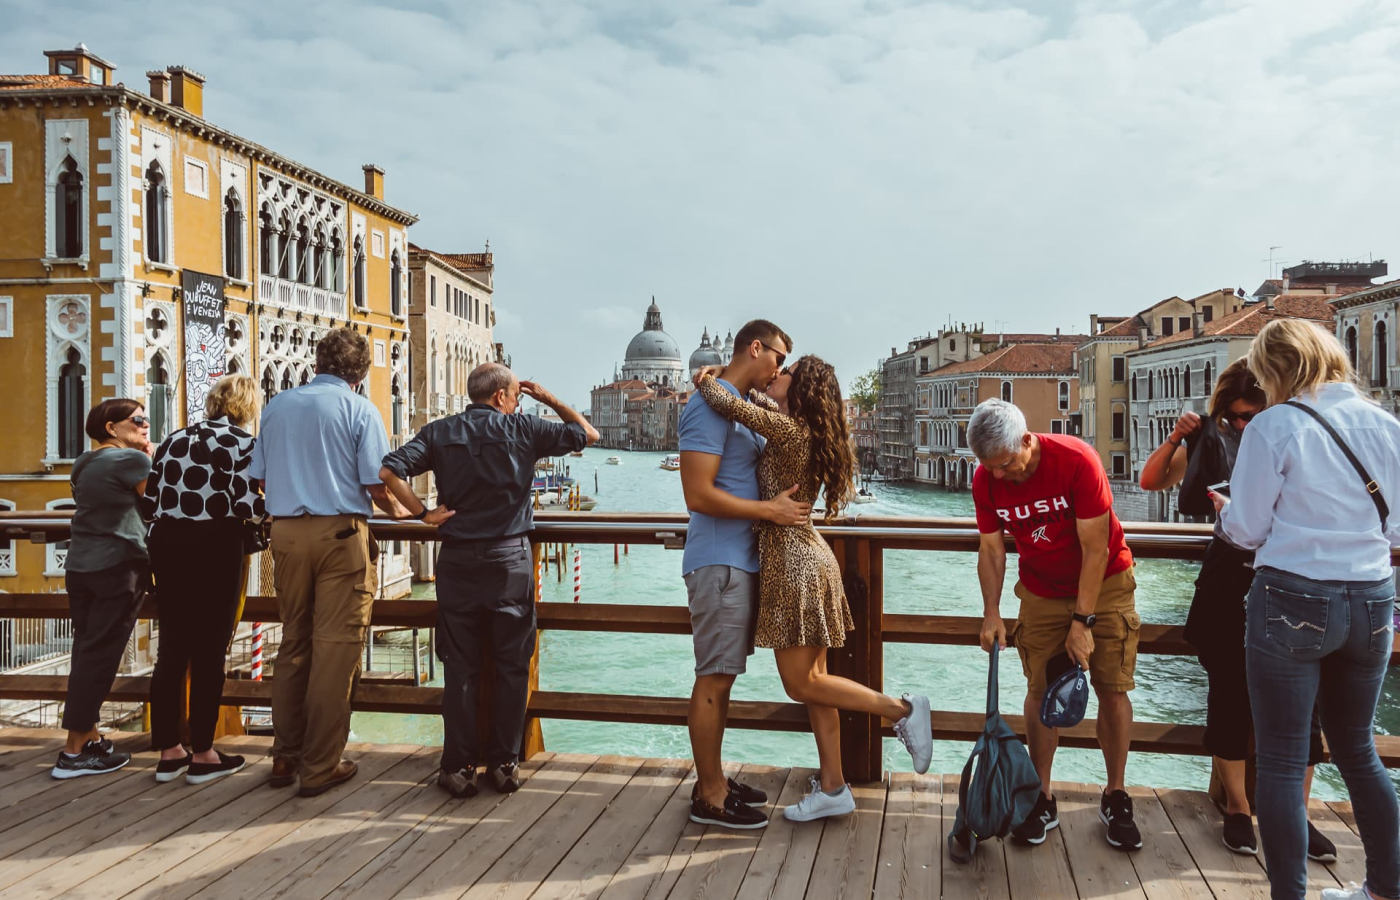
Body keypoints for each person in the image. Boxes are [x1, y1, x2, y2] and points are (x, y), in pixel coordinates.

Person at [693, 358, 932, 823]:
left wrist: (707, 377)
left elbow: (728, 400)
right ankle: (833, 787)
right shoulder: (802, 428)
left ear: (798, 391)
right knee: (818, 684)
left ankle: (901, 709)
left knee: (802, 682)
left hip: (793, 564)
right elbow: (758, 401)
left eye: (785, 372)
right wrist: (753, 383)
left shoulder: (788, 432)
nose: (774, 376)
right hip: (810, 557)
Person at [1215, 319, 1400, 900]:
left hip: (1292, 596)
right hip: (1372, 598)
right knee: (1359, 750)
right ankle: (1384, 889)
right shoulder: (1387, 425)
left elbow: (1245, 530)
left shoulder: (1274, 426)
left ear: (1274, 369)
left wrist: (1226, 509)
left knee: (1280, 758)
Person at [1139, 359, 1334, 860]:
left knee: (1303, 705)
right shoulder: (1211, 440)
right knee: (1229, 694)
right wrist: (1175, 438)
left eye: (1254, 414)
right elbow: (1150, 482)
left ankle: (1295, 813)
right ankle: (1238, 810)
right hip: (1230, 580)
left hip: (1294, 578)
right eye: (1235, 416)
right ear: (1222, 412)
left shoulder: (1298, 439)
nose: (1245, 425)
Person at [379, 363, 596, 798]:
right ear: (500, 398)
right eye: (516, 394)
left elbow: (389, 472)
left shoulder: (440, 431)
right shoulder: (524, 428)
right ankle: (503, 762)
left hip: (458, 559)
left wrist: (423, 515)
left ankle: (457, 767)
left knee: (460, 667)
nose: (518, 401)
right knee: (513, 665)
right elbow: (587, 435)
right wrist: (549, 397)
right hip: (508, 560)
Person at [970, 398, 1143, 851]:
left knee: (1112, 685)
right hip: (1042, 589)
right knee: (1040, 691)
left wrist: (1083, 622)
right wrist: (992, 612)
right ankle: (1040, 796)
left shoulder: (1076, 461)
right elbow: (991, 550)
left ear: (1027, 440)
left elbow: (1096, 547)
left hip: (1103, 581)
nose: (1001, 476)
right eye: (992, 469)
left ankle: (1116, 793)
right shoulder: (986, 479)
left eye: (1007, 465)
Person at [249, 328, 410, 797]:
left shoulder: (276, 406)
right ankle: (320, 766)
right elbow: (378, 483)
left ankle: (285, 756)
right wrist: (411, 513)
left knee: (294, 643)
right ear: (360, 373)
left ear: (317, 362)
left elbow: (257, 477)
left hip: (285, 535)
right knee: (335, 652)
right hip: (339, 535)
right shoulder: (360, 409)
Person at [678, 319, 811, 830]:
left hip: (738, 562)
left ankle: (713, 779)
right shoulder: (707, 412)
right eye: (778, 358)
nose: (779, 368)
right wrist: (769, 512)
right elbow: (697, 495)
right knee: (713, 679)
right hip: (718, 561)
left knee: (724, 678)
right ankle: (709, 795)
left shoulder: (738, 408)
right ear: (756, 348)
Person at [140, 375, 264, 785]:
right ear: (247, 408)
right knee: (210, 650)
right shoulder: (243, 445)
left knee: (171, 651)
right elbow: (249, 505)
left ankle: (169, 752)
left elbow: (151, 501)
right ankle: (204, 753)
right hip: (214, 545)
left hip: (169, 545)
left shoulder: (174, 439)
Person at [52, 399, 153, 779]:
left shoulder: (84, 462)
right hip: (118, 566)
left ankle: (89, 738)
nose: (145, 425)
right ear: (111, 428)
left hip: (80, 567)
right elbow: (158, 501)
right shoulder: (133, 462)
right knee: (100, 656)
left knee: (86, 651)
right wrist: (149, 455)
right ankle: (74, 751)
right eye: (138, 420)